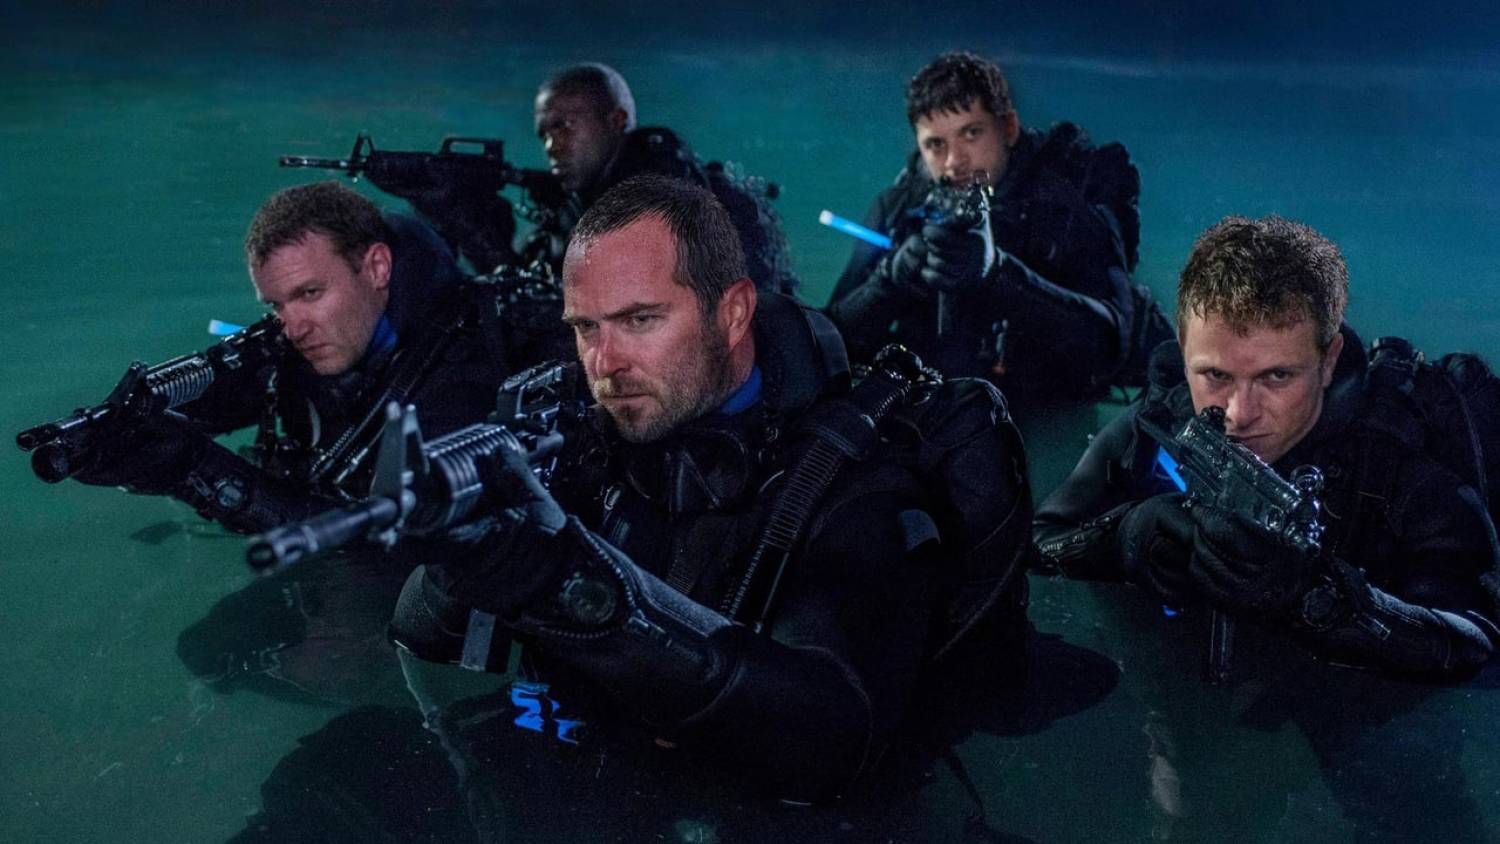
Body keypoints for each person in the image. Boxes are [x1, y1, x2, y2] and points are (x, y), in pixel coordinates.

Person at [390, 174, 1031, 803]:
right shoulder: (586, 432)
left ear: (732, 314)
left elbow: (833, 741)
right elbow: (419, 643)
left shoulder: (853, 480)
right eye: (586, 327)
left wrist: (572, 584)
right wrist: (462, 551)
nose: (604, 364)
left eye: (640, 320)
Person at [1033, 214, 1500, 680]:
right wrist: (1125, 537)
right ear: (1182, 346)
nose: (1239, 413)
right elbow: (1040, 541)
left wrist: (1313, 599)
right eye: (1215, 375)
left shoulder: (1398, 466)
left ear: (1329, 360)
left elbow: (1472, 643)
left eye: (1277, 376)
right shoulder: (1163, 416)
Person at [71, 181, 507, 533]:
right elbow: (236, 389)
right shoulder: (323, 332)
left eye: (310, 293)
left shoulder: (462, 377)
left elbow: (395, 546)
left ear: (377, 268)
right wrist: (132, 427)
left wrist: (197, 470)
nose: (293, 328)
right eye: (276, 305)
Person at [826, 51, 1171, 410]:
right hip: (939, 410)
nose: (954, 162)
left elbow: (1110, 343)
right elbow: (830, 345)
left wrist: (997, 275)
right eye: (936, 144)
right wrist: (889, 280)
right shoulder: (900, 208)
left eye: (971, 133)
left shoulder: (1064, 202)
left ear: (1008, 128)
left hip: (1048, 406)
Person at [414, 63, 798, 294]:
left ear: (617, 121)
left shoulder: (683, 206)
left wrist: (485, 243)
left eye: (564, 126)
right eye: (543, 134)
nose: (551, 145)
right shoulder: (567, 217)